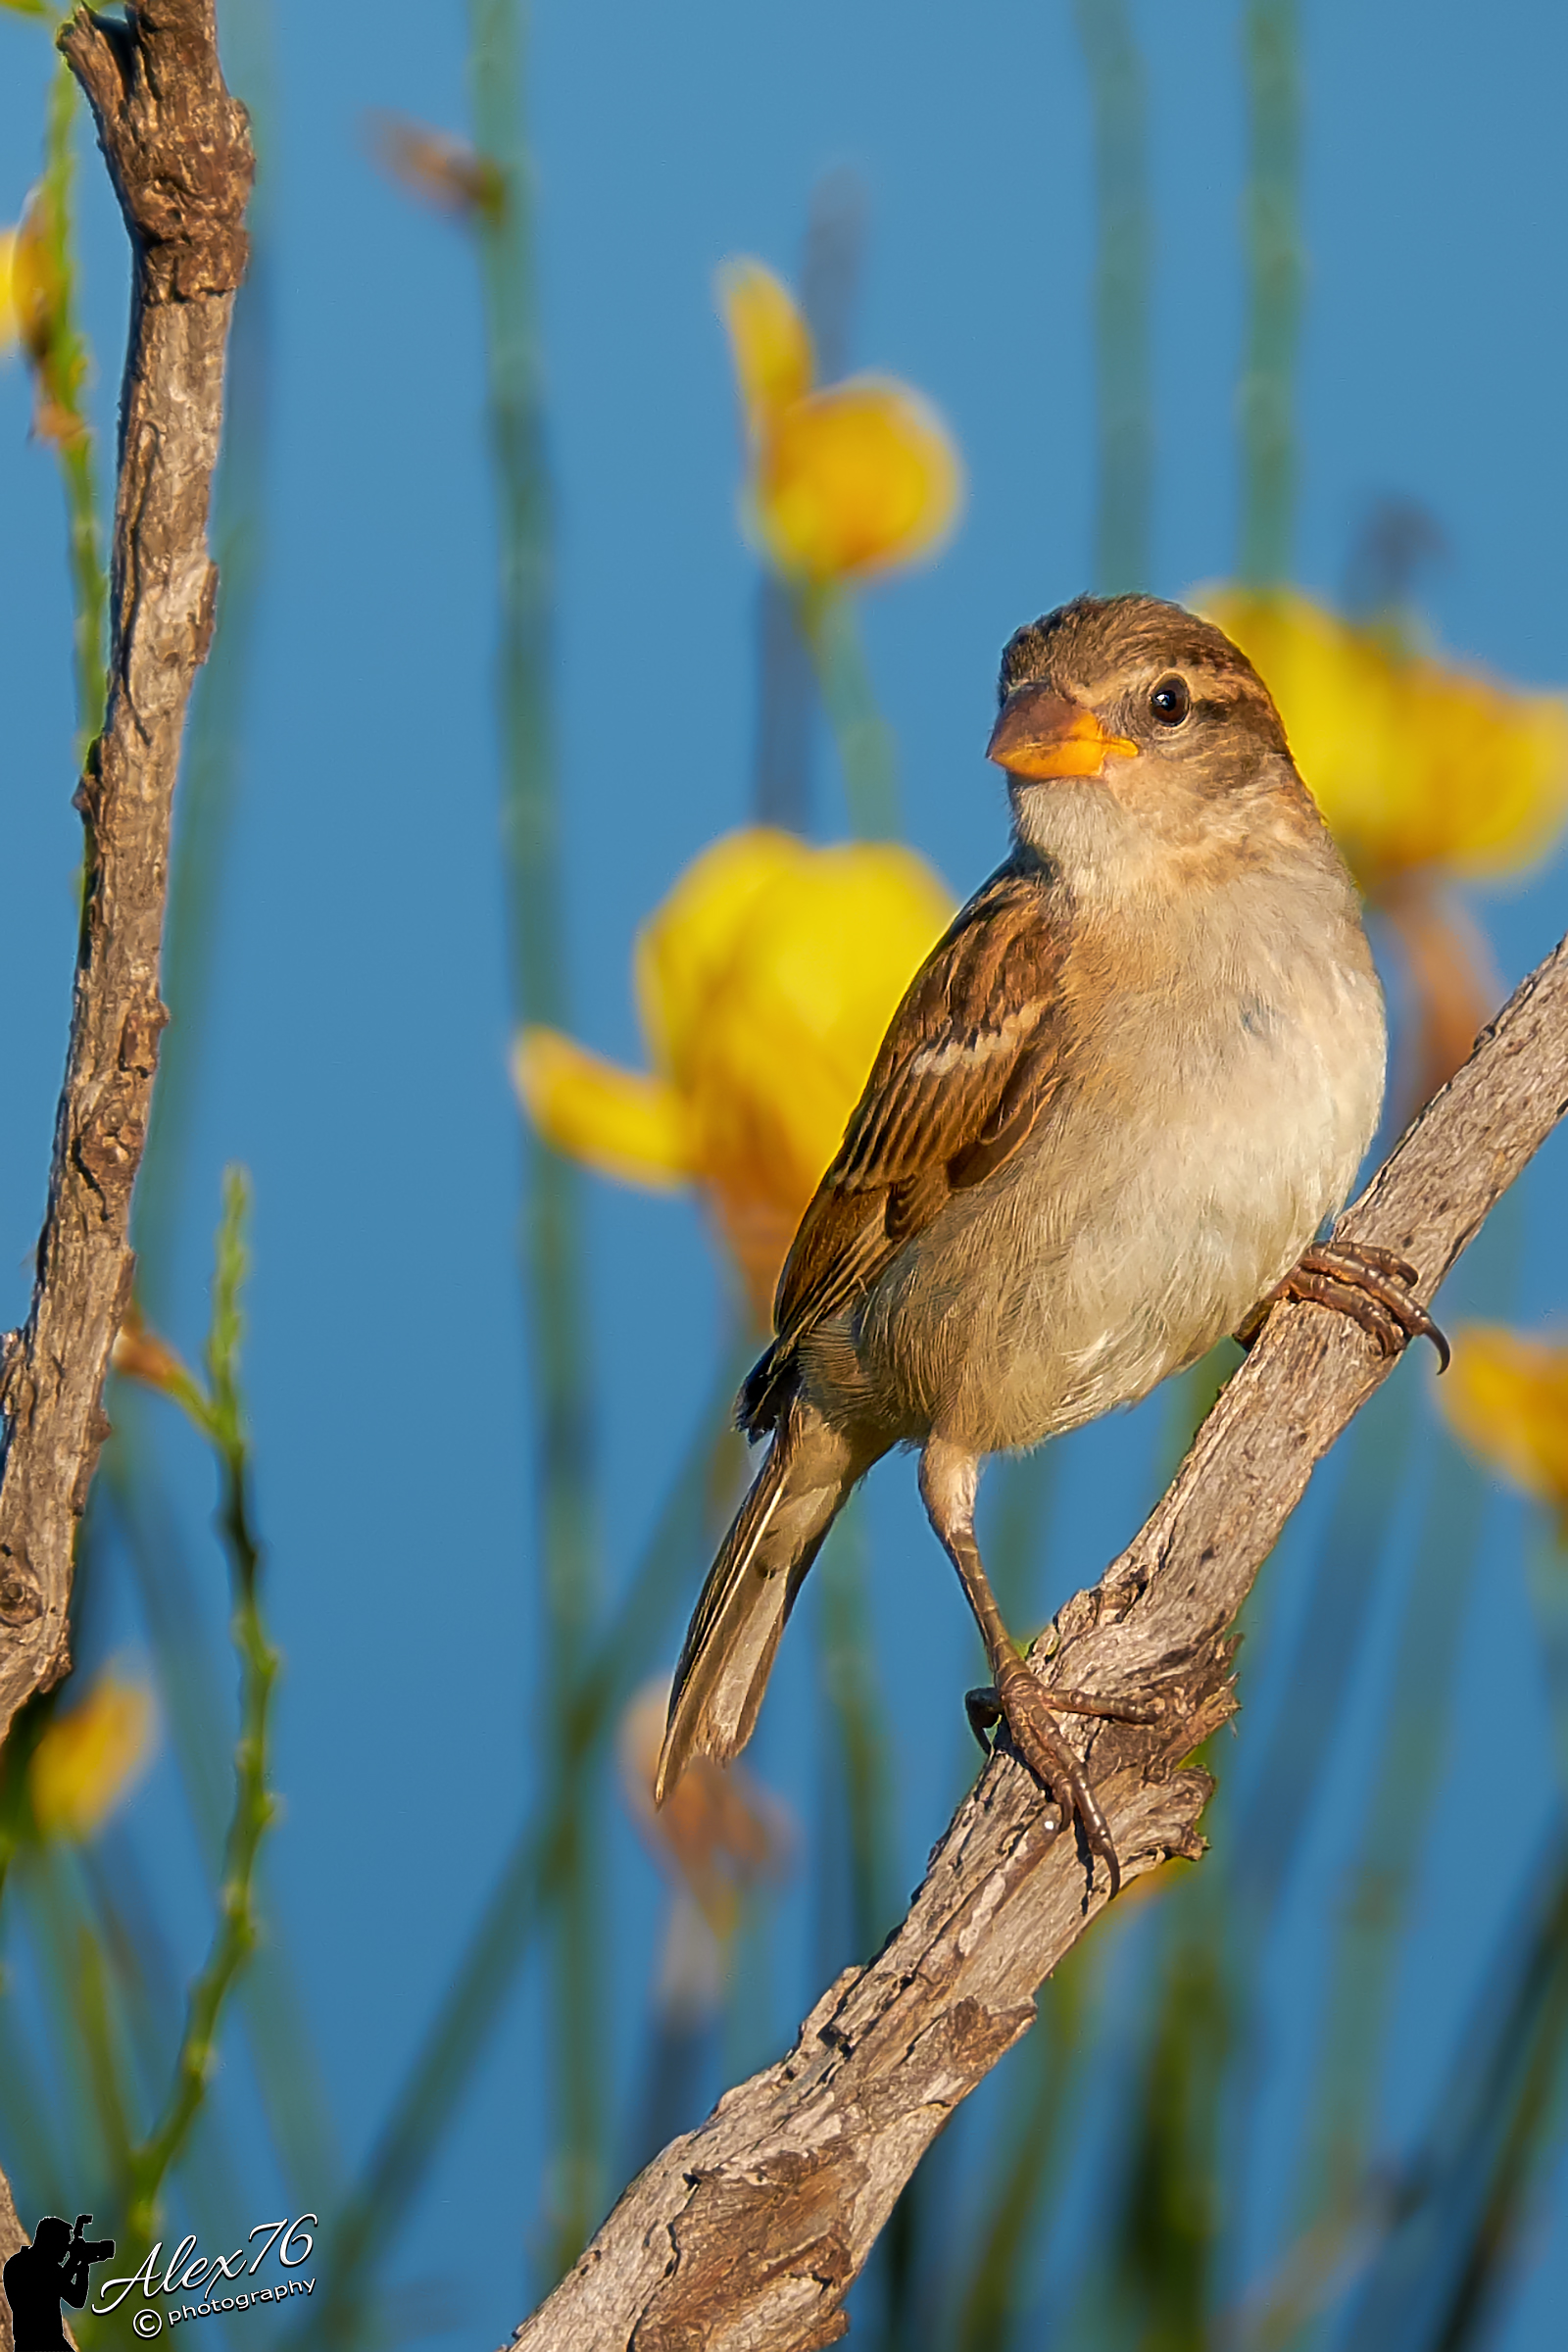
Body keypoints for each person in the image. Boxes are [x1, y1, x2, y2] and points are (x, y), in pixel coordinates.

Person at [3, 2217, 115, 2351]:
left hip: (42, 2343)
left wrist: (82, 2263)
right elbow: (57, 2291)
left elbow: (69, 2293)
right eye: (64, 2243)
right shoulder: (26, 2266)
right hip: (40, 2344)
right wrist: (78, 2261)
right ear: (51, 2242)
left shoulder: (27, 2265)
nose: (67, 2250)